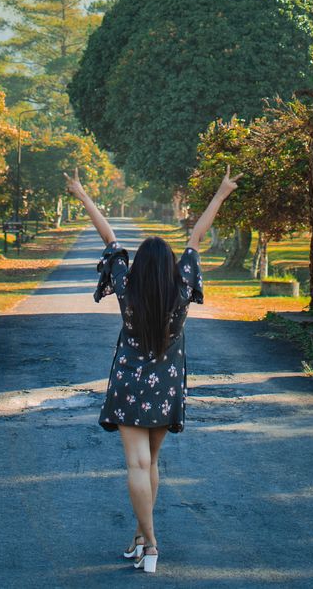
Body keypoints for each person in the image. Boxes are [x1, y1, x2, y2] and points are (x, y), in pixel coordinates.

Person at [64, 165, 240, 575]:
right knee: (152, 464)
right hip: (165, 387)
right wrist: (221, 192)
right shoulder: (180, 289)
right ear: (170, 266)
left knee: (136, 466)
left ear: (140, 267)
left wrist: (82, 194)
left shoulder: (127, 287)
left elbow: (109, 239)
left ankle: (151, 542)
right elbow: (196, 237)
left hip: (128, 385)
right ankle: (142, 539)